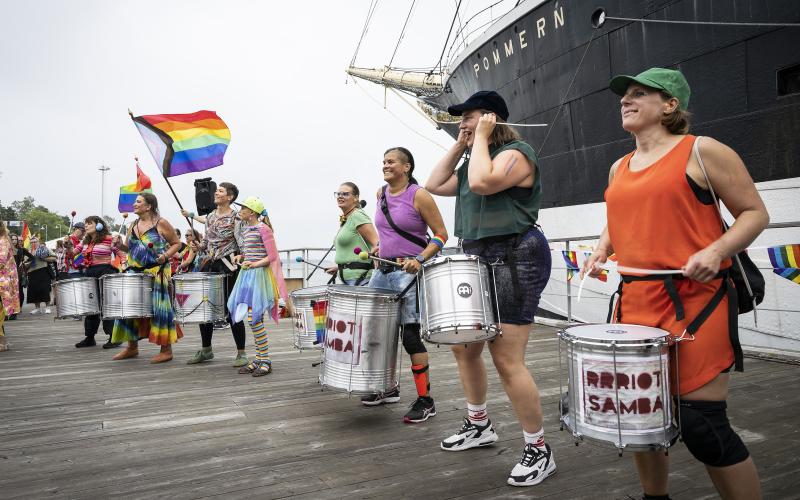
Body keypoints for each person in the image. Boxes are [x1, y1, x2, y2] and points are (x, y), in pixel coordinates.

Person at [582, 68, 767, 500]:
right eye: (624, 95)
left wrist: (717, 250)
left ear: (670, 106)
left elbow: (754, 213)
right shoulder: (618, 166)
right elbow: (619, 218)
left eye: (639, 94)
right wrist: (600, 248)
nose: (625, 100)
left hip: (697, 300)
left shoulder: (702, 152)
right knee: (641, 417)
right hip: (634, 304)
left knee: (703, 423)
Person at [425, 90, 555, 487]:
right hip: (475, 255)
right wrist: (462, 144)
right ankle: (479, 424)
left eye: (470, 116)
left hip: (514, 254)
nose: (462, 122)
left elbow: (483, 183)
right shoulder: (472, 158)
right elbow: (433, 183)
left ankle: (538, 448)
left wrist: (480, 138)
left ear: (491, 118)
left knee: (506, 358)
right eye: (461, 118)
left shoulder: (517, 153)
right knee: (465, 347)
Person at [361, 147, 448, 424]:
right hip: (382, 271)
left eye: (391, 161)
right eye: (383, 161)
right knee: (377, 335)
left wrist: (420, 259)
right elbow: (386, 232)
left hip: (407, 272)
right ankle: (387, 387)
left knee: (409, 336)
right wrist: (378, 246)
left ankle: (426, 400)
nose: (385, 165)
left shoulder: (419, 195)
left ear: (406, 166)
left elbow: (441, 235)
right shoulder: (380, 194)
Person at [181, 182, 249, 367]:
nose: (216, 193)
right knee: (205, 308)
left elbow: (241, 242)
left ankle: (241, 353)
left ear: (230, 197)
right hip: (210, 266)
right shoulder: (210, 216)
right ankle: (206, 350)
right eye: (217, 190)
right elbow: (207, 242)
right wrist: (198, 246)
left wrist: (243, 258)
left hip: (228, 267)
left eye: (220, 191)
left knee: (232, 309)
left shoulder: (236, 218)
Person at [111, 193, 184, 363]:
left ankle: (166, 350)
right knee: (129, 309)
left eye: (138, 202)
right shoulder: (133, 224)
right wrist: (118, 245)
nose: (134, 204)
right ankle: (131, 347)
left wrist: (165, 256)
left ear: (148, 206)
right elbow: (128, 248)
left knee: (160, 310)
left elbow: (177, 243)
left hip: (156, 272)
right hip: (134, 271)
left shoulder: (161, 223)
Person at [227, 197, 288, 377]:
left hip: (260, 276)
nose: (240, 210)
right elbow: (249, 251)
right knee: (252, 319)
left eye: (243, 208)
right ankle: (259, 358)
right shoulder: (246, 229)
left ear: (252, 212)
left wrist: (255, 264)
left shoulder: (264, 229)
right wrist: (241, 257)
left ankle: (266, 359)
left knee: (255, 318)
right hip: (247, 275)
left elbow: (272, 256)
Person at [73, 216, 122, 349]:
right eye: (85, 224)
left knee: (107, 305)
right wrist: (67, 247)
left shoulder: (108, 238)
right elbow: (74, 254)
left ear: (99, 225)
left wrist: (118, 249)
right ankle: (90, 337)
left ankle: (114, 337)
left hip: (105, 272)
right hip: (90, 272)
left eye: (89, 223)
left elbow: (122, 254)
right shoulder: (85, 241)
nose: (86, 226)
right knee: (91, 305)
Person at [325, 182, 378, 285]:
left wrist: (377, 272)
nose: (340, 196)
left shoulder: (357, 215)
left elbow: (376, 243)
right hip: (349, 278)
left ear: (356, 198)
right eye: (338, 194)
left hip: (361, 279)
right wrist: (341, 267)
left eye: (345, 194)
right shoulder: (347, 218)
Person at [0, 220, 20, 351]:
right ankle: (3, 342)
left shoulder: (3, 241)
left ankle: (2, 343)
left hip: (3, 283)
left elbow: (0, 261)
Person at [26, 237, 56, 315]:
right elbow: (24, 264)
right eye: (31, 242)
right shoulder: (28, 251)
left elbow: (54, 258)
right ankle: (37, 308)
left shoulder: (44, 249)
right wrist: (28, 263)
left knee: (45, 289)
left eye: (35, 242)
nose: (33, 243)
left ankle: (47, 307)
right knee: (34, 290)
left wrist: (43, 258)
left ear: (38, 242)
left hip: (43, 271)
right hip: (32, 272)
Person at [8, 234, 33, 320]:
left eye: (16, 239)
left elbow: (32, 258)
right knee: (8, 293)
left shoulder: (20, 250)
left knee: (17, 291)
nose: (14, 241)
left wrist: (26, 265)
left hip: (16, 273)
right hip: (6, 273)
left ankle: (16, 311)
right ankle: (9, 312)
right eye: (13, 239)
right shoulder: (6, 248)